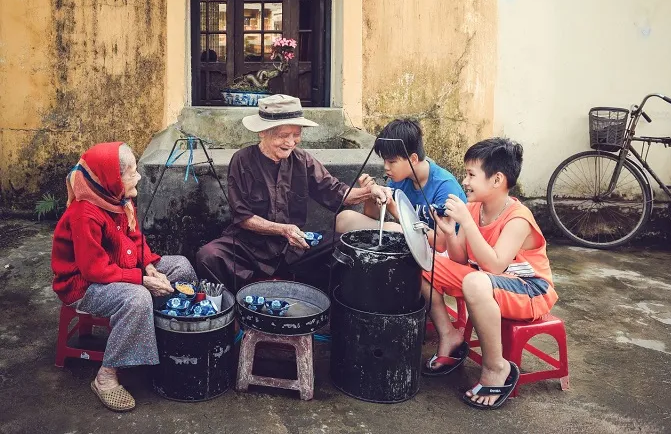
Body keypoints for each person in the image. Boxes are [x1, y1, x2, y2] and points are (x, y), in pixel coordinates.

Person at [51, 142, 197, 413]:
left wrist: (149, 266)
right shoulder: (86, 212)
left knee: (181, 268)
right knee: (137, 298)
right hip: (84, 286)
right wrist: (141, 280)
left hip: (117, 269)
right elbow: (93, 270)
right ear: (112, 178)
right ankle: (106, 375)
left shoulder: (119, 201)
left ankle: (165, 339)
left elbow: (135, 239)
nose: (138, 177)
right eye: (131, 172)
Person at [195, 94, 391, 291]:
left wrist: (370, 191)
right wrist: (283, 229)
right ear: (262, 132)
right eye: (283, 135)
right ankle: (242, 304)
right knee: (208, 256)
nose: (291, 142)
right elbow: (242, 216)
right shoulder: (242, 161)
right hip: (249, 247)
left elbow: (336, 192)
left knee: (346, 244)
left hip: (293, 247)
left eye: (296, 134)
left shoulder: (302, 160)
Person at [422, 137, 558, 410]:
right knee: (426, 265)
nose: (465, 181)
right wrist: (450, 233)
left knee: (474, 281)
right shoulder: (474, 208)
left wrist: (467, 223)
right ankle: (449, 336)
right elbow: (461, 258)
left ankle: (497, 367)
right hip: (484, 281)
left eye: (471, 175)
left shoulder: (518, 218)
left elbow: (495, 265)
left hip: (529, 288)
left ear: (497, 180)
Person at [335, 118, 466, 233]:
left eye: (392, 162)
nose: (386, 167)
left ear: (413, 159)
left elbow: (441, 243)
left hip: (440, 252)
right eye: (384, 160)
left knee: (394, 229)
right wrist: (370, 194)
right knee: (344, 218)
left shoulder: (444, 186)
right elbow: (372, 220)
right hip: (410, 238)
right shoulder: (399, 179)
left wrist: (392, 207)